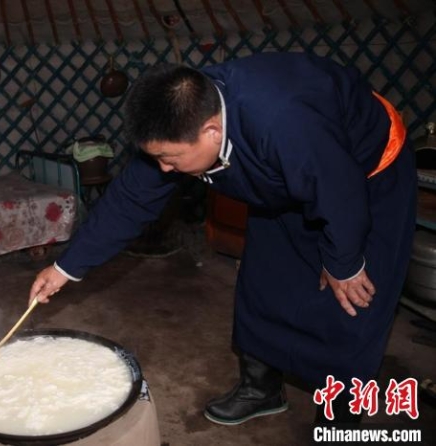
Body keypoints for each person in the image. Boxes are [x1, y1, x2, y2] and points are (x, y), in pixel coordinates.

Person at [29, 52, 416, 426]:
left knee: (350, 302)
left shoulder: (285, 119)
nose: (164, 167)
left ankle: (341, 414)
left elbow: (339, 190)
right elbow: (129, 200)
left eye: (170, 158)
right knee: (264, 282)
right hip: (279, 178)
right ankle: (261, 388)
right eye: (157, 157)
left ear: (212, 131)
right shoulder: (182, 117)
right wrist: (66, 267)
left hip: (364, 177)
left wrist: (344, 263)